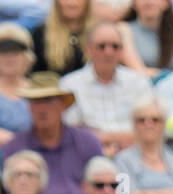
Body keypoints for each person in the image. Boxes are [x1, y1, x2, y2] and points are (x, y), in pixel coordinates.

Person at [0, 73, 103, 194]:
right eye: (35, 102)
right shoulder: (14, 147)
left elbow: (103, 186)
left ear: (63, 105)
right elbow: (12, 193)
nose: (42, 108)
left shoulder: (88, 142)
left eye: (48, 101)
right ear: (29, 107)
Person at [60, 22, 152, 154]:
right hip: (86, 152)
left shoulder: (138, 82)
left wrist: (105, 138)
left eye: (115, 46)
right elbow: (70, 130)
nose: (108, 52)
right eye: (101, 46)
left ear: (122, 50)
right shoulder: (69, 84)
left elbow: (149, 125)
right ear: (88, 49)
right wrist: (109, 139)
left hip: (134, 152)